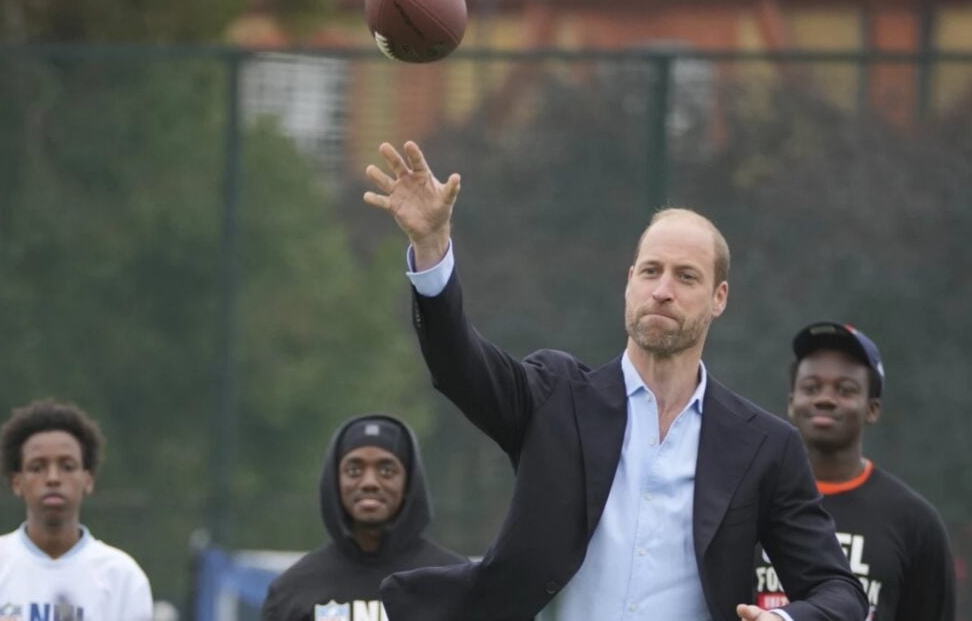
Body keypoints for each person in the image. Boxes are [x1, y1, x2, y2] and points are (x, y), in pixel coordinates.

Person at [361, 140, 867, 621]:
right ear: (629, 283)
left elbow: (839, 592)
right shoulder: (555, 397)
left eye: (686, 277)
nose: (663, 290)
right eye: (651, 271)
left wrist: (783, 617)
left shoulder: (765, 447)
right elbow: (457, 364)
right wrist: (431, 247)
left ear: (719, 297)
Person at [754, 321, 956, 620]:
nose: (825, 398)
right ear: (791, 402)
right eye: (811, 388)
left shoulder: (915, 522)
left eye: (845, 390)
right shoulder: (748, 502)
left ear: (872, 408)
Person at [0, 399, 153, 621]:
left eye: (67, 466)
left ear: (88, 479)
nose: (53, 478)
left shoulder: (123, 577)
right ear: (17, 482)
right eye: (37, 467)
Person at [261, 414, 467, 621]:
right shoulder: (293, 588)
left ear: (409, 482)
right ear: (335, 481)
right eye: (354, 470)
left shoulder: (454, 582)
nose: (369, 482)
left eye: (387, 470)